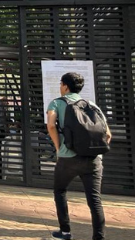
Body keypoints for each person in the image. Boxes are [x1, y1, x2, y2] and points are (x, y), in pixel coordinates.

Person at [47, 72, 110, 240]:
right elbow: (107, 134)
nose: (60, 87)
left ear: (65, 86)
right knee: (95, 200)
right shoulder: (91, 105)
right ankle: (99, 237)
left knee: (60, 191)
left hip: (68, 158)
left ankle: (65, 232)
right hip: (93, 160)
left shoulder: (56, 103)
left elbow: (51, 125)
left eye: (61, 84)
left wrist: (58, 148)